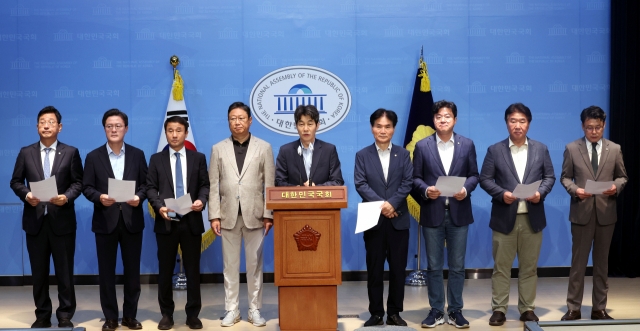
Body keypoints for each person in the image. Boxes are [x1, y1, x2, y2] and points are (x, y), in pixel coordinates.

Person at [479, 103, 555, 326]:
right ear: (507, 123)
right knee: (501, 268)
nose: (518, 126)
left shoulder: (540, 149)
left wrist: (540, 194)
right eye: (513, 121)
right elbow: (485, 179)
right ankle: (499, 309)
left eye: (522, 121)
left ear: (529, 124)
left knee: (529, 267)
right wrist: (502, 194)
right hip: (504, 217)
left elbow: (549, 177)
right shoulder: (495, 150)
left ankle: (527, 308)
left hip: (532, 218)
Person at [10, 106, 83, 328]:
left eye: (51, 122)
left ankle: (65, 315)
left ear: (59, 127)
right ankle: (42, 314)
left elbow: (78, 183)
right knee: (39, 272)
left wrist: (66, 197)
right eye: (42, 121)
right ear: (36, 126)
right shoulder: (26, 152)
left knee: (64, 271)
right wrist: (27, 195)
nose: (46, 125)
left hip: (62, 220)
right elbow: (15, 182)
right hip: (35, 221)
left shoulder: (70, 152)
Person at [412, 100, 479, 328]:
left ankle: (456, 311)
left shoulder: (467, 144)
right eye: (439, 116)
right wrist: (425, 190)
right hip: (432, 212)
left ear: (455, 120)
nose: (443, 120)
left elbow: (474, 175)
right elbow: (415, 179)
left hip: (459, 212)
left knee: (458, 265)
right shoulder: (422, 146)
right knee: (433, 265)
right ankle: (436, 310)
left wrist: (465, 189)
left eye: (447, 116)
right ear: (434, 120)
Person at [208, 102, 275, 327]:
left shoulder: (264, 147)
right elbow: (213, 184)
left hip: (255, 215)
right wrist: (214, 215)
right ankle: (232, 309)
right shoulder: (218, 148)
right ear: (228, 121)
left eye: (241, 118)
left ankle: (254, 309)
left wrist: (269, 214)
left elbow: (269, 184)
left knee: (255, 265)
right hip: (227, 216)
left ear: (249, 121)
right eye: (232, 118)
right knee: (230, 266)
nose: (236, 122)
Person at [559, 106, 628, 321]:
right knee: (578, 264)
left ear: (604, 125)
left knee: (602, 264)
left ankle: (599, 308)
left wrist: (615, 188)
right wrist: (575, 190)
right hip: (582, 213)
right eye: (589, 127)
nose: (594, 131)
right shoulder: (572, 148)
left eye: (598, 127)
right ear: (583, 126)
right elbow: (565, 178)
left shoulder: (614, 149)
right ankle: (574, 308)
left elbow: (622, 177)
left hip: (606, 214)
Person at [83, 109, 148, 331]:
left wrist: (139, 197)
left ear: (126, 129)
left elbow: (146, 184)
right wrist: (99, 197)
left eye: (118, 126)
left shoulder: (138, 154)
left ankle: (130, 316)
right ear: (104, 129)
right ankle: (110, 317)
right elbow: (86, 187)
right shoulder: (93, 156)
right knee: (106, 272)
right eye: (109, 126)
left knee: (132, 273)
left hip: (131, 219)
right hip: (105, 220)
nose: (114, 129)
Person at [147, 116, 210, 330]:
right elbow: (150, 188)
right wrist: (159, 207)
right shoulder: (156, 159)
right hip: (166, 221)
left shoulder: (198, 158)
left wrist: (202, 200)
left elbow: (204, 185)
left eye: (178, 130)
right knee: (165, 270)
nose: (174, 135)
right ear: (166, 133)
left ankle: (193, 314)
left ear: (186, 133)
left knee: (193, 270)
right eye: (170, 130)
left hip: (191, 220)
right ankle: (167, 314)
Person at [354, 109, 413, 327]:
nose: (383, 130)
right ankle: (377, 313)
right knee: (375, 269)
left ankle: (395, 312)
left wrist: (392, 204)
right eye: (379, 126)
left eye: (387, 126)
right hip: (373, 219)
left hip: (398, 219)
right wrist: (382, 205)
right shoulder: (362, 155)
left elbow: (408, 182)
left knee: (398, 269)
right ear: (372, 128)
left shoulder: (404, 154)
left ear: (394, 129)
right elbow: (361, 184)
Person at [275, 104, 344, 187]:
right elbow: (279, 182)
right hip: (295, 199)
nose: (305, 129)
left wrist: (317, 188)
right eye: (301, 124)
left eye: (310, 124)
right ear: (296, 126)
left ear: (317, 126)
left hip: (321, 199)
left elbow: (337, 181)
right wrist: (295, 189)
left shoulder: (329, 150)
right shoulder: (285, 151)